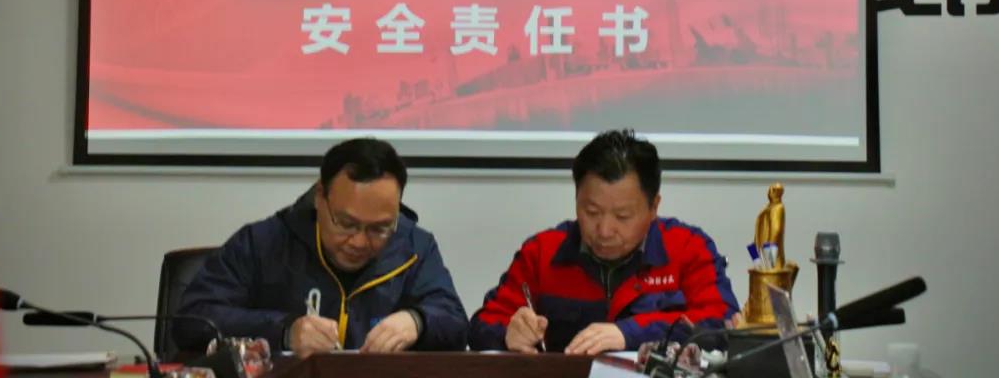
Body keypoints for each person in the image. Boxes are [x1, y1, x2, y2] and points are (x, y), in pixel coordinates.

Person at [176, 138, 468, 355]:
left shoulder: (415, 247)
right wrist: (285, 331)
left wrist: (418, 322)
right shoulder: (263, 243)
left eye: (379, 229)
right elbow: (192, 321)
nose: (359, 241)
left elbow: (456, 324)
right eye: (346, 223)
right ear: (320, 197)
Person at [468, 129, 739, 355]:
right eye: (592, 212)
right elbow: (481, 326)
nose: (605, 230)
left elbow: (723, 325)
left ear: (654, 207)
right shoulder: (542, 253)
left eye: (622, 216)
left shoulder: (688, 248)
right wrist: (508, 333)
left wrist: (629, 333)